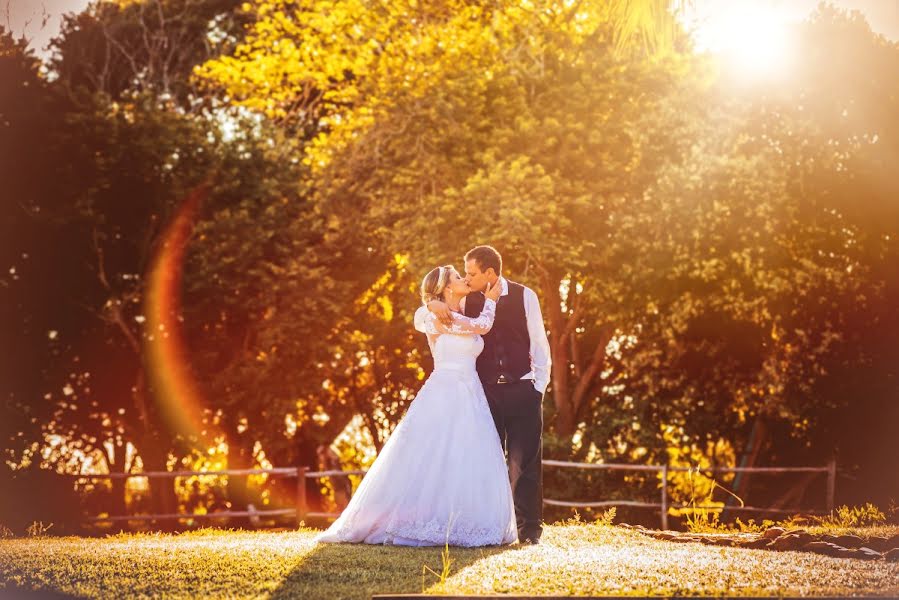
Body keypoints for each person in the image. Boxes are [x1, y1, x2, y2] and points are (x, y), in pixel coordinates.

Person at [314, 265, 517, 546]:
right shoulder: (436, 317)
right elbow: (481, 325)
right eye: (458, 277)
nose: (463, 279)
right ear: (446, 288)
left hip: (471, 393)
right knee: (428, 454)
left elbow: (469, 324)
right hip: (444, 392)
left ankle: (464, 520)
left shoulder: (456, 314)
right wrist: (488, 301)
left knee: (468, 455)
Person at [426, 245, 551, 544]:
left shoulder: (525, 296)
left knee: (526, 464)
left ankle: (530, 531)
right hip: (484, 395)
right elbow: (435, 308)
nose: (466, 279)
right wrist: (433, 304)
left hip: (523, 389)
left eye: (471, 273)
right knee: (485, 462)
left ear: (490, 273)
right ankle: (488, 526)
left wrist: (538, 388)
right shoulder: (466, 299)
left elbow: (539, 343)